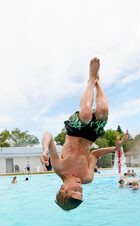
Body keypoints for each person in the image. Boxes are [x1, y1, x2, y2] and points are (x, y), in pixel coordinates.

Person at [40, 57, 128, 211]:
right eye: (81, 192)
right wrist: (115, 149)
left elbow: (48, 135)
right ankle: (97, 82)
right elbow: (93, 155)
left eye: (75, 190)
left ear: (63, 189)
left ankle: (90, 81)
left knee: (86, 114)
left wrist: (45, 149)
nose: (80, 187)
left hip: (74, 130)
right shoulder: (87, 177)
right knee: (103, 111)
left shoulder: (59, 168)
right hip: (90, 137)